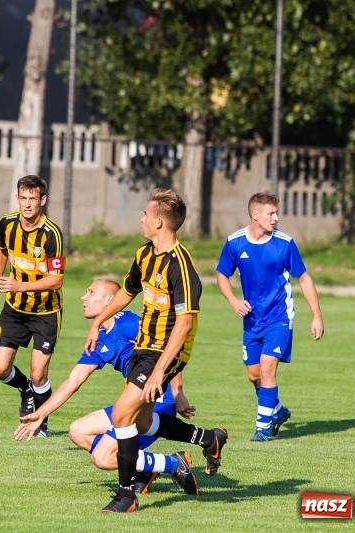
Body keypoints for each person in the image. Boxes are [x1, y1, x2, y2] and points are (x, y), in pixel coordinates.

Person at [14, 279, 227, 496]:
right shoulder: (98, 338)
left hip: (157, 397)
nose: (83, 297)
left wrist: (178, 391)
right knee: (77, 431)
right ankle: (159, 465)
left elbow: (168, 347)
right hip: (134, 401)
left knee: (102, 457)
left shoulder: (128, 323)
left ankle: (173, 462)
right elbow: (73, 381)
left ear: (109, 300)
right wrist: (40, 413)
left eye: (91, 292)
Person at [83, 188, 204, 513]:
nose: (142, 218)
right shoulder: (144, 255)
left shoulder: (182, 267)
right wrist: (98, 323)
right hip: (144, 347)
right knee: (141, 421)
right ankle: (200, 441)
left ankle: (127, 495)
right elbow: (126, 292)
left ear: (161, 223)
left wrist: (161, 372)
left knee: (123, 413)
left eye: (147, 215)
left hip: (166, 351)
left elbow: (184, 325)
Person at [215, 192, 324, 441]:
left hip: (279, 317)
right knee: (253, 375)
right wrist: (233, 301)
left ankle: (262, 429)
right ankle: (276, 410)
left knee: (266, 369)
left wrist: (316, 315)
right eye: (271, 213)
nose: (276, 218)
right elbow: (222, 275)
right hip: (252, 320)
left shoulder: (284, 244)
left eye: (276, 213)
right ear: (255, 215)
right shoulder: (235, 243)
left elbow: (304, 278)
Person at [0, 175, 65, 437]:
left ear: (43, 200)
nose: (27, 204)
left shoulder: (52, 234)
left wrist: (20, 286)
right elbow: (0, 247)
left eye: (33, 199)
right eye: (23, 198)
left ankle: (41, 423)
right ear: (17, 197)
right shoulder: (7, 223)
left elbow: (56, 280)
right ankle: (25, 388)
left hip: (45, 312)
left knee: (39, 373)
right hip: (15, 309)